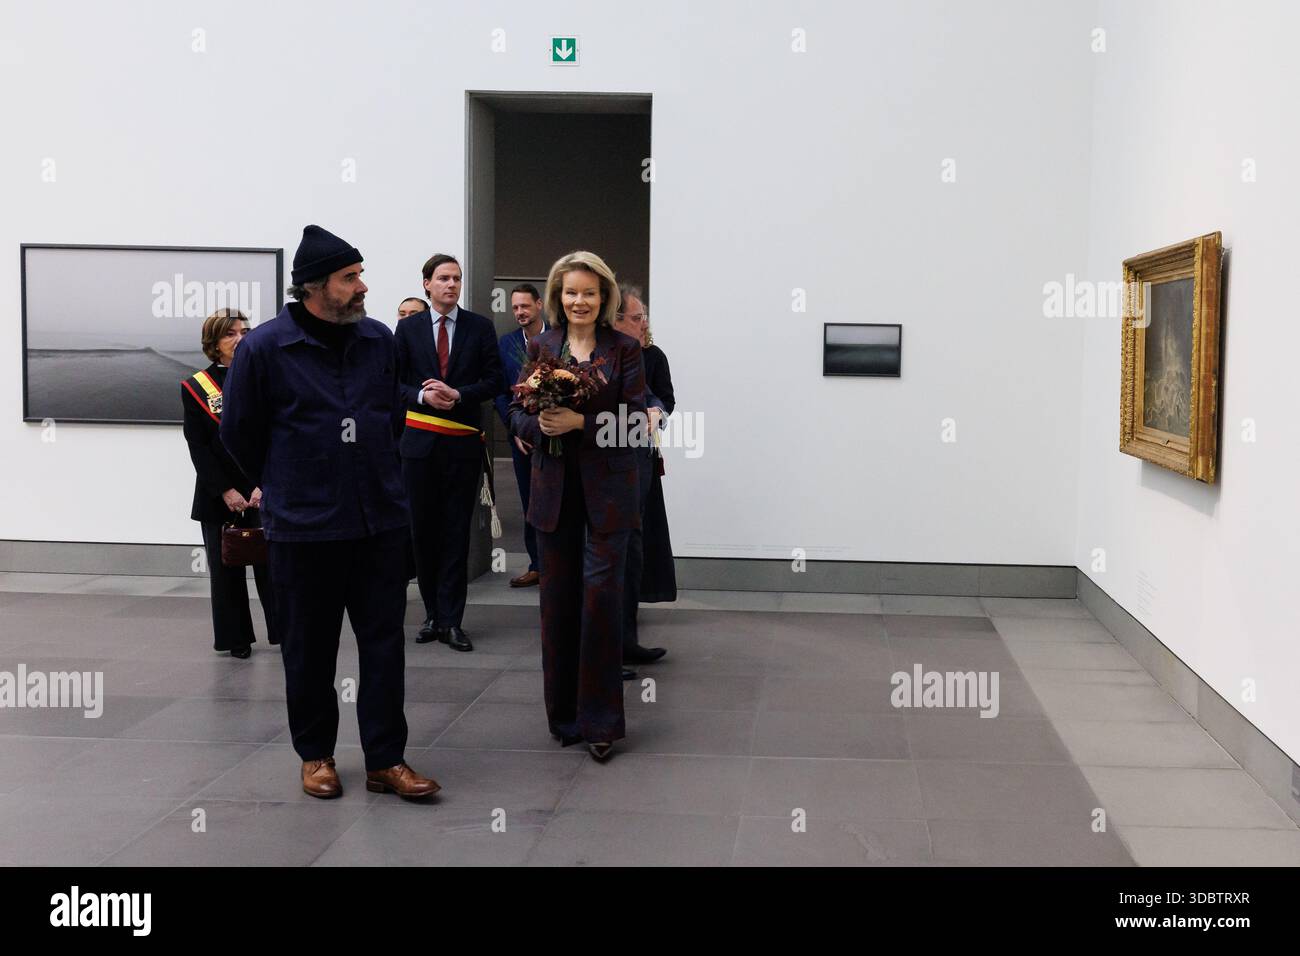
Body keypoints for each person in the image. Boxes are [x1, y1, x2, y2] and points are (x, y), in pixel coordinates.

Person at [220, 224, 440, 801]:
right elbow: (238, 433)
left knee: (385, 645)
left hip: (379, 522)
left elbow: (389, 410)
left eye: (361, 273)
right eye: (350, 277)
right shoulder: (265, 348)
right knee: (309, 649)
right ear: (315, 287)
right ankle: (316, 756)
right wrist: (284, 479)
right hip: (304, 528)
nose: (362, 285)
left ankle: (385, 760)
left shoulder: (377, 339)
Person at [509, 251, 646, 762]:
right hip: (553, 496)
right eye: (571, 292)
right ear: (557, 297)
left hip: (609, 497)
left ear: (604, 296)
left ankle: (602, 722)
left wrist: (580, 426)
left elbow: (637, 425)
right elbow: (514, 410)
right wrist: (539, 427)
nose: (580, 301)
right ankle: (564, 717)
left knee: (600, 605)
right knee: (558, 606)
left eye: (589, 292)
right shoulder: (542, 345)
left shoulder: (625, 350)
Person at [394, 254, 501, 653]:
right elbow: (391, 384)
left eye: (456, 279)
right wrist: (422, 395)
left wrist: (459, 394)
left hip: (461, 445)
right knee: (422, 534)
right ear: (427, 284)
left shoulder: (479, 327)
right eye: (443, 278)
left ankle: (452, 620)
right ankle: (431, 615)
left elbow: (495, 380)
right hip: (419, 447)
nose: (451, 285)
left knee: (456, 533)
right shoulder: (406, 331)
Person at [181, 309, 277, 660]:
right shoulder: (196, 387)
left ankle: (283, 630)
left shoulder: (264, 377)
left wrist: (261, 483)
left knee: (274, 565)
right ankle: (237, 638)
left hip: (263, 488)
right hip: (218, 492)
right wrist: (227, 490)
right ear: (213, 343)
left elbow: (275, 435)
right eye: (230, 334)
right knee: (226, 571)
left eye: (245, 331)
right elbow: (199, 447)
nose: (240, 339)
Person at [611, 286, 671, 668]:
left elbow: (654, 397)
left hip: (637, 465)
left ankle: (626, 640)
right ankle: (605, 651)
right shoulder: (585, 354)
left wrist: (654, 411)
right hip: (605, 471)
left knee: (632, 556)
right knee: (608, 560)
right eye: (636, 317)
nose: (643, 322)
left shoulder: (639, 356)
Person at [493, 283, 546, 588]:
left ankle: (562, 564)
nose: (520, 312)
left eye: (525, 306)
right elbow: (501, 392)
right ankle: (537, 564)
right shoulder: (507, 343)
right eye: (514, 308)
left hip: (558, 434)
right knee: (530, 500)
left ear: (539, 305)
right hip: (522, 438)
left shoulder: (560, 337)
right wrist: (515, 429)